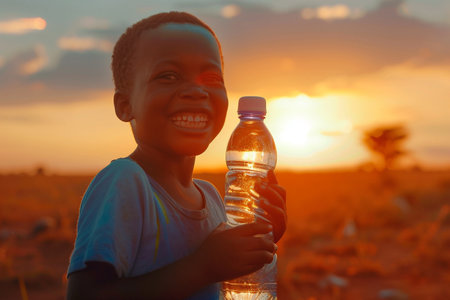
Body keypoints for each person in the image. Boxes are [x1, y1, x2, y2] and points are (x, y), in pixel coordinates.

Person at [66, 11, 287, 300]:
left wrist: (259, 241)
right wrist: (204, 266)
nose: (196, 90)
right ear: (125, 105)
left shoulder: (211, 197)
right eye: (168, 76)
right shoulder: (126, 181)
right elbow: (85, 296)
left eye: (211, 78)